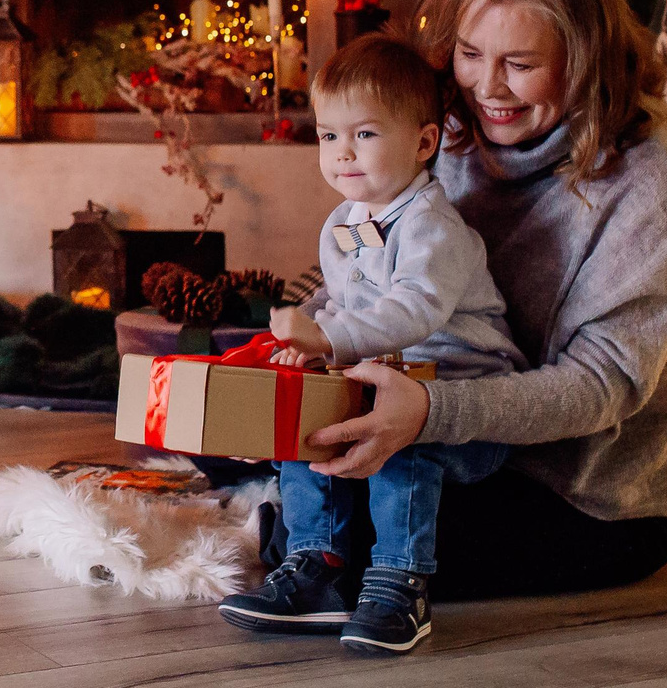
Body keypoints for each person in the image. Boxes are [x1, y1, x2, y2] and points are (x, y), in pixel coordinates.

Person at [244, 0, 667, 607]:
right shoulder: (445, 126)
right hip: (451, 430)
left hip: (593, 492)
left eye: (521, 64)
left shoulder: (655, 176)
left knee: (349, 552)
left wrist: (430, 413)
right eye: (471, 54)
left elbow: (604, 385)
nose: (487, 87)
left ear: (586, 61)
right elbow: (376, 274)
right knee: (296, 476)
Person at [217, 32, 524, 654]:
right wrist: (307, 338)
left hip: (460, 400)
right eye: (329, 135)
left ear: (424, 143)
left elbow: (413, 307)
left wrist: (328, 336)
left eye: (364, 133)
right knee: (304, 435)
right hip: (383, 379)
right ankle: (316, 568)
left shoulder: (432, 225)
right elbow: (344, 299)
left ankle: (399, 585)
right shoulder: (346, 221)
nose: (343, 153)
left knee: (403, 450)